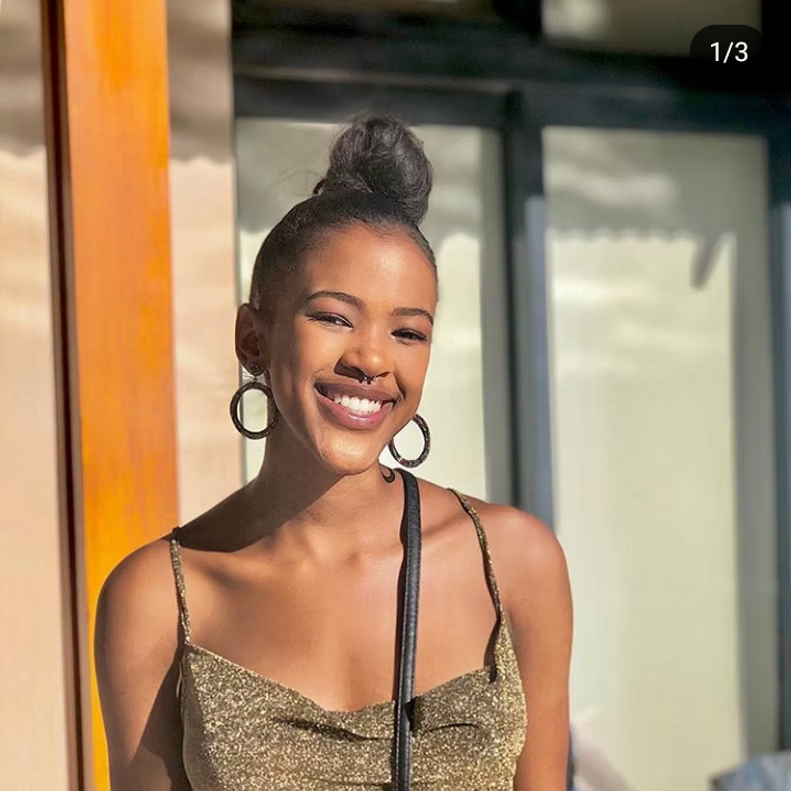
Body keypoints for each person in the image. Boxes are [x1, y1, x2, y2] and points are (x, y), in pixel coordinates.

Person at [95, 114, 573, 791]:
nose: (371, 359)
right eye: (333, 317)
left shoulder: (515, 563)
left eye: (408, 332)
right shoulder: (158, 597)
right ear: (252, 340)